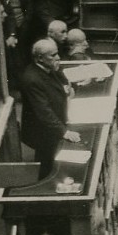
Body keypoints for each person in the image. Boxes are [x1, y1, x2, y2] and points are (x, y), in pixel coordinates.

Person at [19, 38, 80, 179]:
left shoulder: (49, 67)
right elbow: (44, 111)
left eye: (57, 53)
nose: (58, 58)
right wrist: (64, 132)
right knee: (47, 166)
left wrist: (67, 88)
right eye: (52, 55)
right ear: (40, 58)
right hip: (43, 132)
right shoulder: (32, 79)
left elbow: (62, 81)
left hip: (55, 122)